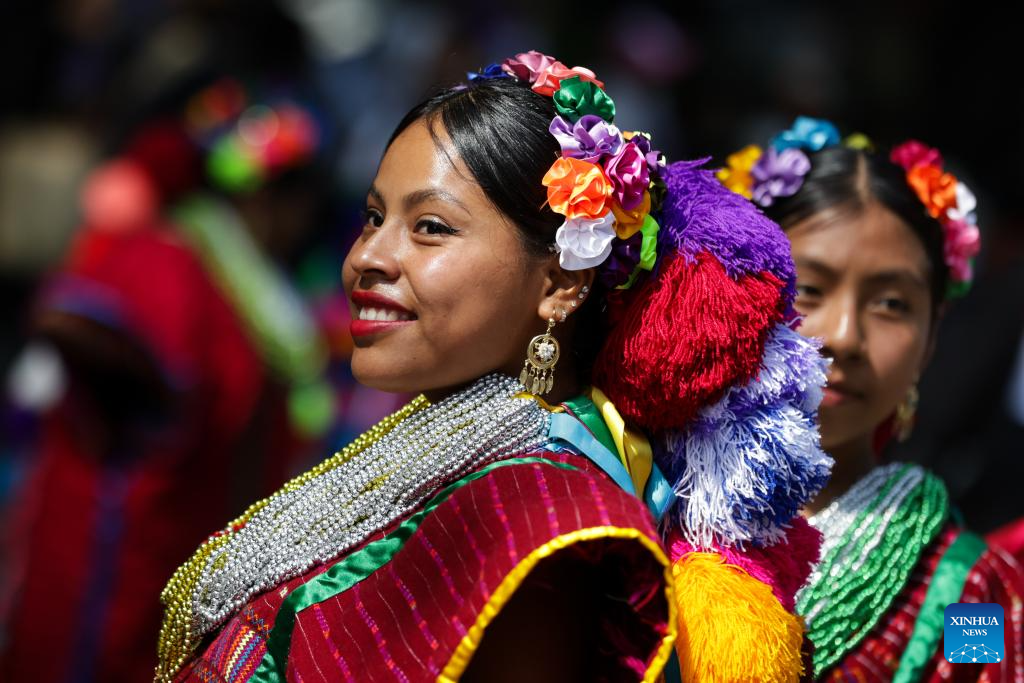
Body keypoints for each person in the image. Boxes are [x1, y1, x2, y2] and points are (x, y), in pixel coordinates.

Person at [156, 52, 832, 683]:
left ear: (563, 279)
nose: (368, 256)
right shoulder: (467, 453)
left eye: (430, 227)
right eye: (372, 217)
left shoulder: (541, 516)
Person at [719, 116, 1024, 681]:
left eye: (891, 304)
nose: (844, 336)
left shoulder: (970, 594)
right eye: (808, 288)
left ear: (933, 338)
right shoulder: (642, 506)